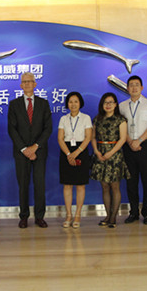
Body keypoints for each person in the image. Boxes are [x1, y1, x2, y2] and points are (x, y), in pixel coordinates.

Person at [8, 72, 53, 228]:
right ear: (21, 85)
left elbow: (48, 128)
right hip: (21, 153)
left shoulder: (43, 103)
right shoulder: (14, 104)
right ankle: (24, 216)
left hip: (39, 151)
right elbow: (12, 129)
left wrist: (35, 147)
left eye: (30, 81)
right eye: (24, 82)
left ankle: (39, 217)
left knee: (39, 185)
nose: (27, 84)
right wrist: (24, 149)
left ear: (35, 84)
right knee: (23, 185)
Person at [119, 75, 147, 225]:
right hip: (128, 146)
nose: (134, 87)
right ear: (127, 88)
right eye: (131, 85)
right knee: (131, 181)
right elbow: (120, 127)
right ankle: (134, 212)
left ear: (142, 87)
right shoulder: (122, 106)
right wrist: (130, 141)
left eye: (137, 85)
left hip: (145, 145)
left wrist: (139, 140)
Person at [91, 92, 130, 228]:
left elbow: (123, 139)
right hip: (100, 154)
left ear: (115, 104)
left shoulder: (121, 119)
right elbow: (93, 137)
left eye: (111, 102)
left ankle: (113, 217)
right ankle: (107, 215)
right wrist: (96, 151)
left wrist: (111, 153)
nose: (108, 105)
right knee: (104, 186)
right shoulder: (97, 119)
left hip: (115, 155)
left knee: (115, 186)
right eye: (105, 102)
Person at [57, 91, 92, 228]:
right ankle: (68, 215)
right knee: (67, 185)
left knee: (80, 185)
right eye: (70, 102)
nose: (73, 104)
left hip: (81, 151)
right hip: (66, 151)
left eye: (76, 101)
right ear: (67, 104)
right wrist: (68, 154)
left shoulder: (86, 118)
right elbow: (60, 138)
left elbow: (88, 137)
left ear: (80, 103)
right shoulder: (63, 119)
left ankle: (77, 214)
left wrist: (76, 153)